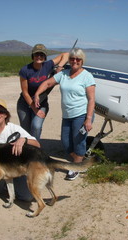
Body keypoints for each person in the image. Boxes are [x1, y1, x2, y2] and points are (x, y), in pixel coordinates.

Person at [34, 48, 96, 180]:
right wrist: (37, 94)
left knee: (78, 141)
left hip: (82, 114)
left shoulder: (87, 76)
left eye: (78, 59)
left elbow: (91, 99)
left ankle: (75, 168)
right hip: (67, 115)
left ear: (82, 61)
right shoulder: (64, 74)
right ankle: (82, 162)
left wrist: (88, 119)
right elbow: (48, 82)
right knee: (66, 141)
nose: (75, 61)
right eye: (72, 59)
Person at [17, 44, 69, 141]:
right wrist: (34, 109)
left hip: (41, 103)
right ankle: (26, 150)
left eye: (41, 55)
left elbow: (66, 54)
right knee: (25, 131)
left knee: (36, 126)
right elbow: (25, 92)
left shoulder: (48, 65)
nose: (39, 57)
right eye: (36, 54)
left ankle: (35, 148)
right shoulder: (25, 70)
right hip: (24, 104)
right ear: (33, 56)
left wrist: (60, 67)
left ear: (45, 56)